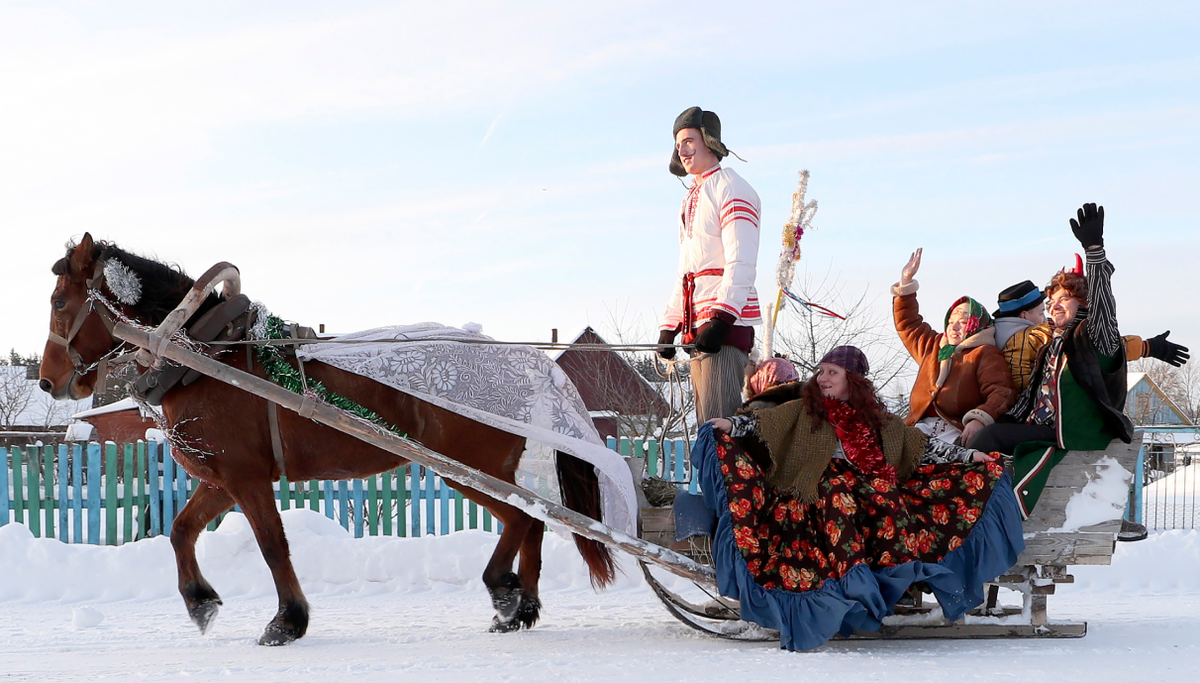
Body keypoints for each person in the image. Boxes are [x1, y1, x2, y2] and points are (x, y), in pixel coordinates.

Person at [699, 345, 1023, 651]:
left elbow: (922, 446)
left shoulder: (879, 420)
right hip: (815, 489)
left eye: (833, 372)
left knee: (888, 497)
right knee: (837, 494)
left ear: (852, 380)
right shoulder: (802, 410)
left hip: (867, 487)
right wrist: (730, 424)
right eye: (821, 371)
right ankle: (852, 587)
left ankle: (892, 580)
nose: (823, 378)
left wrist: (969, 457)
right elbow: (761, 423)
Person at [968, 204, 1135, 519]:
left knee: (989, 439)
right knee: (986, 434)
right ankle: (976, 507)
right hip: (1043, 425)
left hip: (1075, 430)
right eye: (1051, 302)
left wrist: (1094, 251)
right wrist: (993, 418)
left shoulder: (1093, 335)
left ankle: (977, 510)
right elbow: (1032, 399)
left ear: (1083, 302)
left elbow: (1104, 306)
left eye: (1064, 299)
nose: (1054, 306)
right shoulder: (1052, 345)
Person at [655, 107, 761, 423]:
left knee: (719, 426)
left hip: (722, 329)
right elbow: (686, 270)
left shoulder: (731, 187)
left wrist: (723, 319)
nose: (682, 150)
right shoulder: (690, 198)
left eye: (689, 140)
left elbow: (742, 260)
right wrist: (669, 326)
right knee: (705, 428)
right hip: (697, 328)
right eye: (678, 145)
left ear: (709, 140)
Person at [892, 249, 1016, 446]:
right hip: (917, 427)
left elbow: (1002, 393)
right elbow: (908, 324)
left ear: (976, 325)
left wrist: (979, 419)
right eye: (950, 322)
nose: (954, 327)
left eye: (963, 322)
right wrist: (906, 282)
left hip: (954, 430)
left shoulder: (984, 353)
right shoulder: (933, 346)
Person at [995, 279, 1189, 392]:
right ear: (1024, 316)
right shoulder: (1032, 336)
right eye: (1041, 312)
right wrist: (1147, 347)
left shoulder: (1002, 335)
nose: (1047, 316)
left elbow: (1094, 345)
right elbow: (1093, 347)